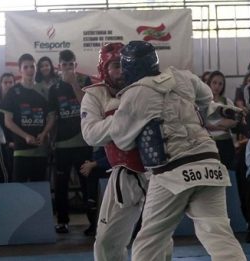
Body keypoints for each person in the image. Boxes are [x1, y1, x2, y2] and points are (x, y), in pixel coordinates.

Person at [109, 40, 246, 261]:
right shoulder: (184, 76)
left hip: (172, 171)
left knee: (149, 242)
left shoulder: (135, 94)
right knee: (219, 236)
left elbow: (121, 139)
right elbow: (206, 100)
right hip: (210, 164)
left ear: (128, 68)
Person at [80, 42, 155, 261]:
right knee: (106, 243)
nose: (121, 70)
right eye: (115, 65)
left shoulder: (148, 89)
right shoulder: (95, 96)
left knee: (156, 238)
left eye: (125, 64)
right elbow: (91, 134)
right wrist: (124, 116)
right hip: (125, 174)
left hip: (158, 171)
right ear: (104, 69)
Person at [49, 49, 93, 234]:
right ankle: (62, 221)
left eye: (71, 65)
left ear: (75, 65)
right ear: (59, 66)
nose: (67, 68)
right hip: (62, 144)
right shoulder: (54, 88)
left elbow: (87, 106)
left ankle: (94, 222)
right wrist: (49, 138)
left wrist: (74, 83)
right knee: (61, 185)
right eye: (64, 65)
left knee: (87, 184)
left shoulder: (86, 82)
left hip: (83, 142)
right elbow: (52, 116)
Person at [2, 54, 53, 182]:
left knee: (41, 191)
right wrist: (25, 136)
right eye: (26, 67)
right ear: (20, 70)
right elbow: (8, 121)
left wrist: (44, 133)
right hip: (21, 150)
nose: (30, 70)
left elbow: (51, 117)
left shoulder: (45, 90)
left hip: (41, 150)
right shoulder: (13, 92)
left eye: (32, 67)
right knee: (19, 192)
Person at [205, 70, 237, 169]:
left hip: (226, 144)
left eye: (220, 84)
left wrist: (211, 125)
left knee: (228, 173)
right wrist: (222, 126)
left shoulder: (227, 102)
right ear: (209, 83)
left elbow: (234, 122)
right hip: (208, 144)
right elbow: (201, 124)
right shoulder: (202, 102)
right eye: (214, 83)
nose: (217, 86)